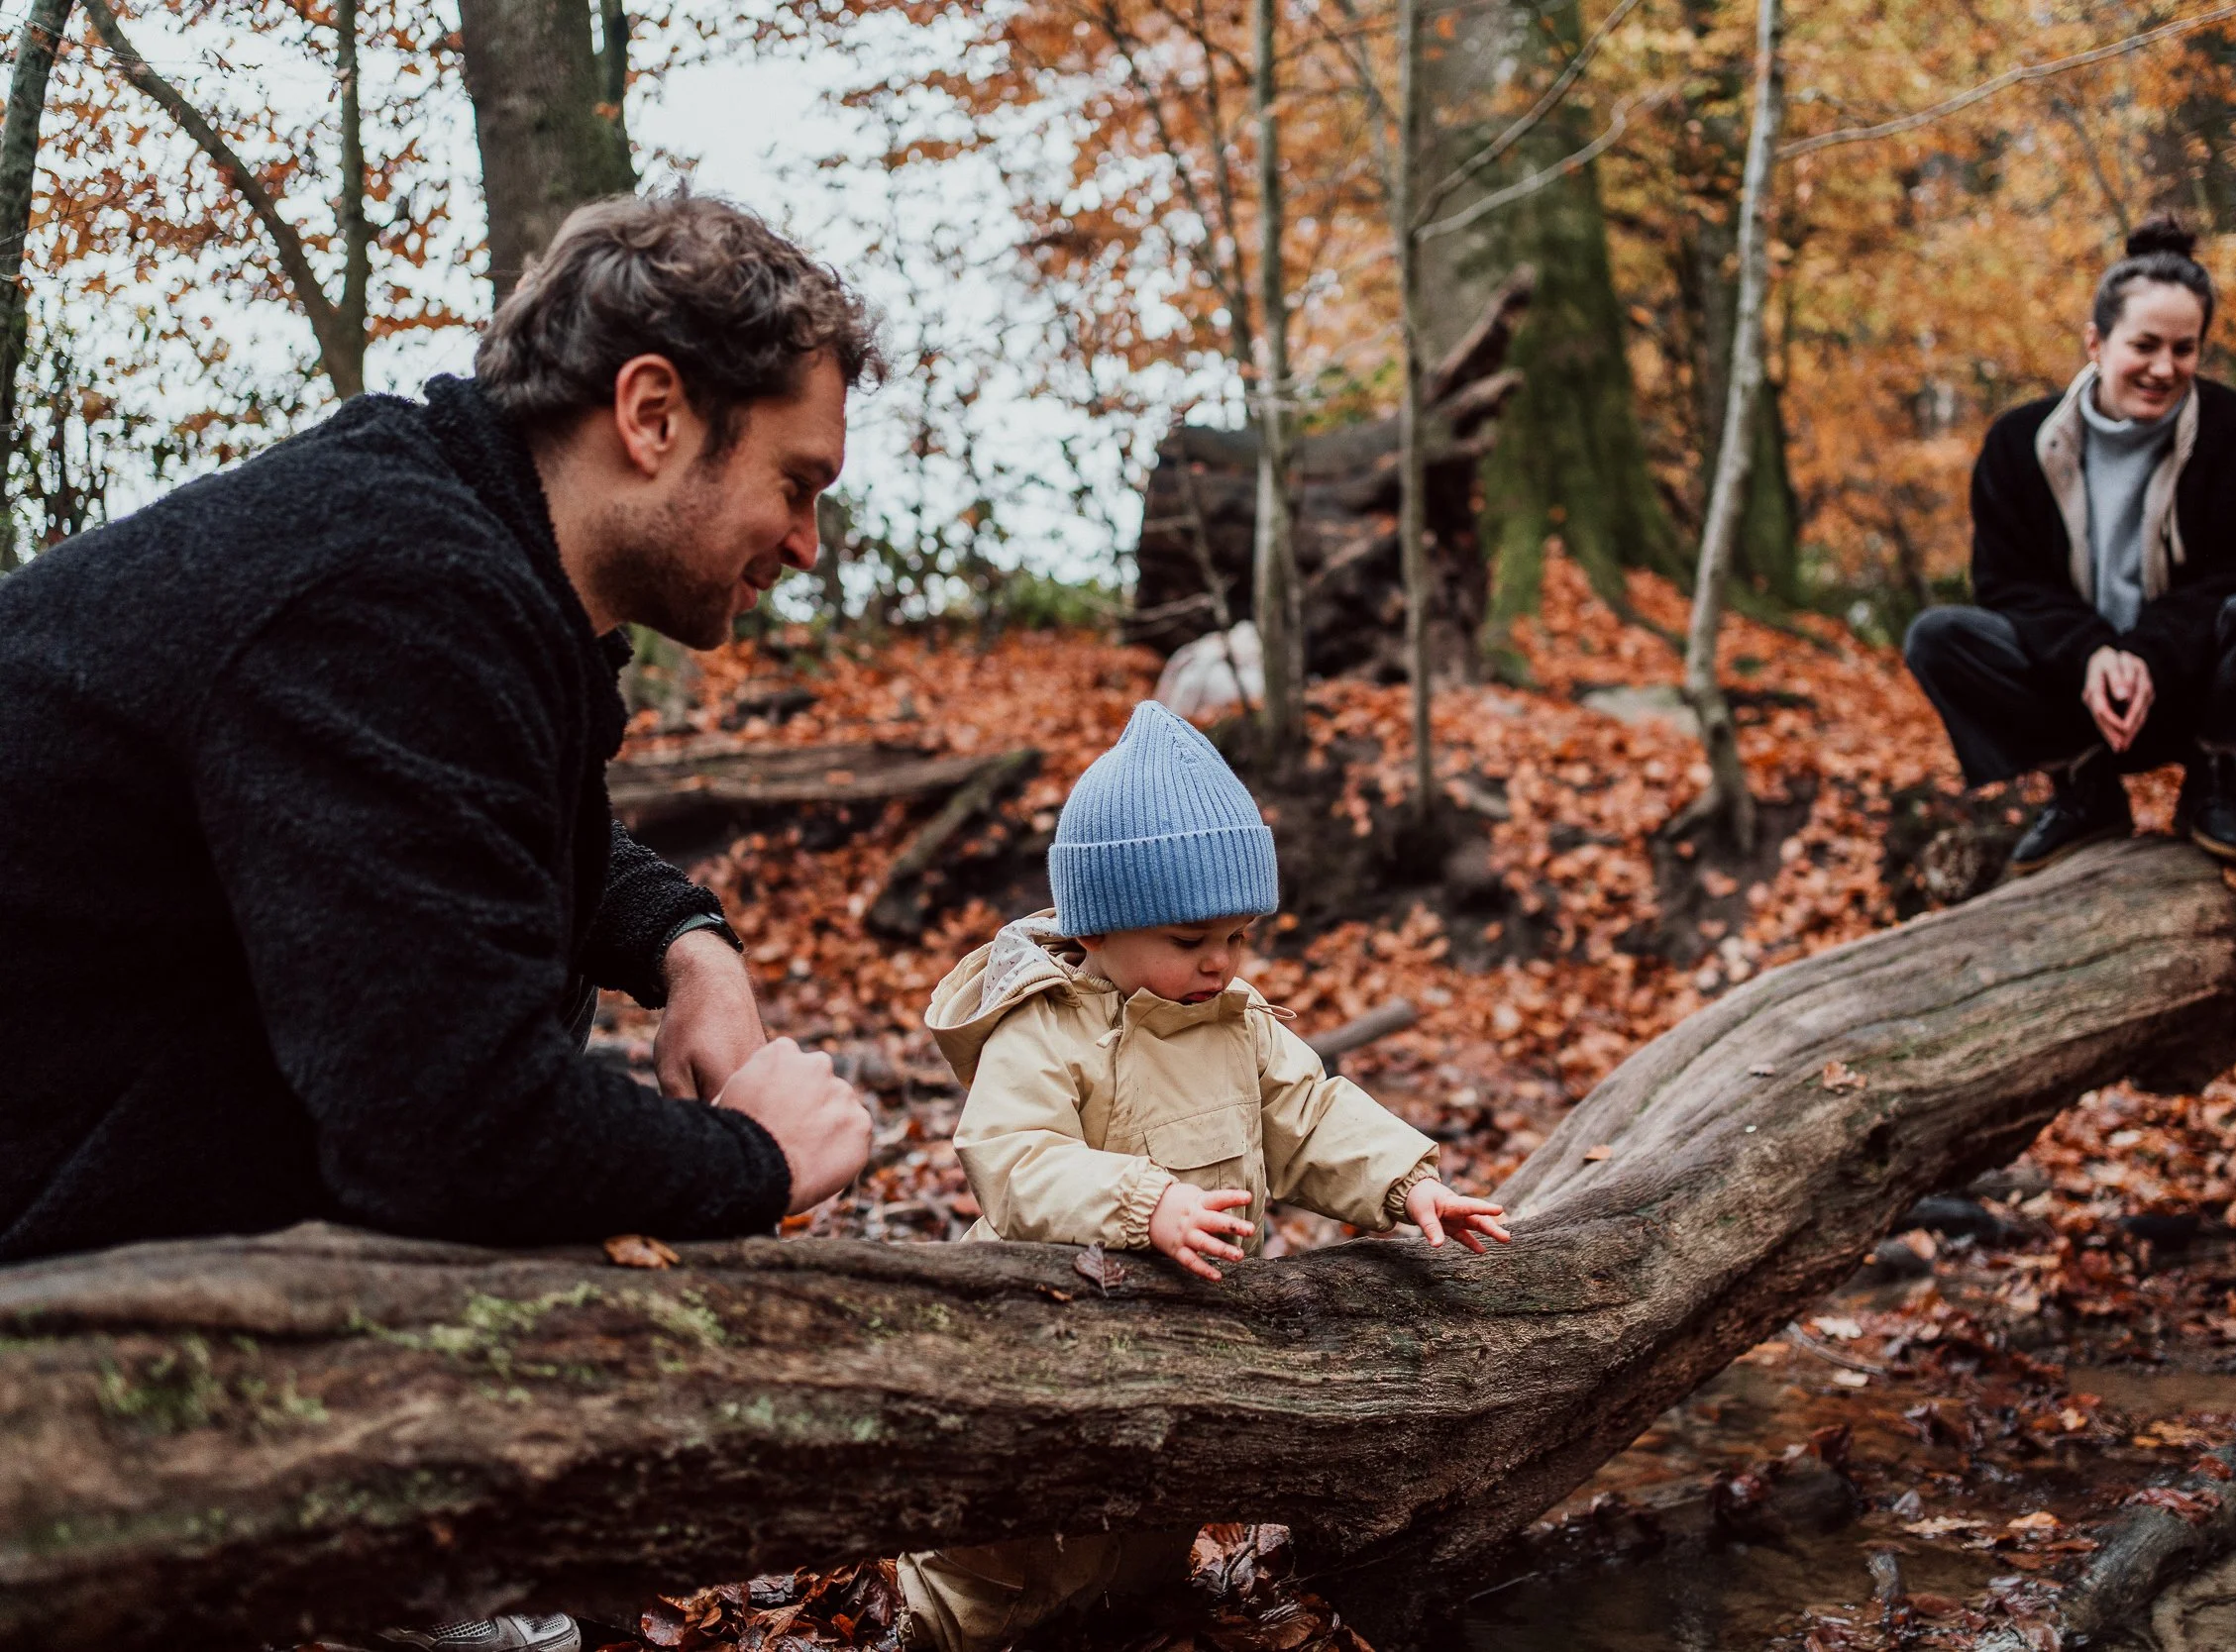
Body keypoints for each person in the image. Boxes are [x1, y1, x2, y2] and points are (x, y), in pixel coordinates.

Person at [0, 193, 878, 1273]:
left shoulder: (438, 547)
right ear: (652, 413)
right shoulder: (389, 595)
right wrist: (755, 1158)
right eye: (795, 484)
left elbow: (460, 831)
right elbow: (453, 1129)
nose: (806, 545)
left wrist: (687, 949)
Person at [894, 701, 1513, 1652]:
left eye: (1238, 936)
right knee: (1006, 1548)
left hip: (1188, 1342)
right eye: (1191, 941)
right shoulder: (1049, 1028)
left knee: (1141, 1536)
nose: (1220, 961)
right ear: (1100, 925)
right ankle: (936, 1633)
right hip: (1049, 1344)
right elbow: (1013, 1162)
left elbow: (1306, 1116)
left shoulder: (1238, 1020)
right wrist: (1147, 1202)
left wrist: (1406, 1182)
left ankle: (1117, 1620)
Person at [1903, 217, 2236, 876]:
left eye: (2185, 348)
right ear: (2095, 341)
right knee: (1937, 637)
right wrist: (2091, 653)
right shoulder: (2017, 444)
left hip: (2200, 684)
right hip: (2071, 694)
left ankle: (2215, 773)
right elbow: (2008, 585)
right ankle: (2082, 786)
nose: (2164, 367)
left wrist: (2149, 652)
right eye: (2144, 345)